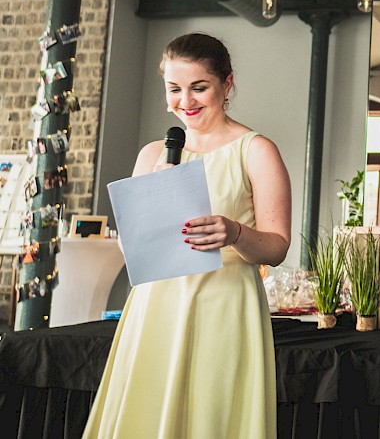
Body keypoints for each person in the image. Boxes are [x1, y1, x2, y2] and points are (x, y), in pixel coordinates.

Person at [84, 33, 292, 438]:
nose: (186, 101)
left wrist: (234, 232)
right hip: (154, 306)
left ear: (227, 84)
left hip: (223, 305)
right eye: (175, 89)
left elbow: (277, 246)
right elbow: (130, 245)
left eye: (199, 87)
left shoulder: (256, 150)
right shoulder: (152, 155)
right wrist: (148, 215)